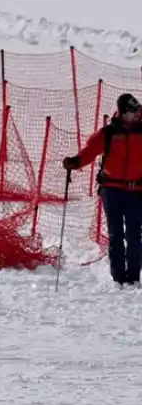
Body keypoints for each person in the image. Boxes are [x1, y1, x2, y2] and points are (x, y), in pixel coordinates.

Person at [62, 92, 142, 286]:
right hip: (112, 189)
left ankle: (133, 277)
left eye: (138, 111)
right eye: (133, 112)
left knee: (134, 234)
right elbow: (90, 150)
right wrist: (76, 161)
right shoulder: (108, 133)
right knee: (115, 235)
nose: (137, 115)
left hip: (136, 191)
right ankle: (118, 277)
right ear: (123, 113)